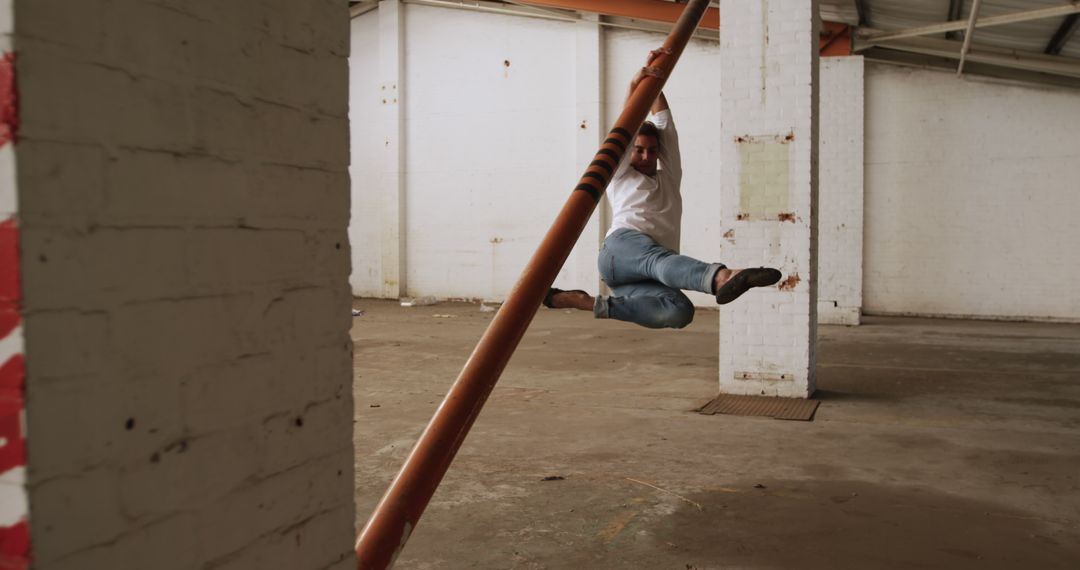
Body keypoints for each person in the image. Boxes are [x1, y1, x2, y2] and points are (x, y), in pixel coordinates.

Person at [544, 48, 781, 329]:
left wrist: (654, 80)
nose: (645, 157)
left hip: (640, 277)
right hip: (621, 251)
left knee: (679, 311)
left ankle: (584, 302)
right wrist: (634, 88)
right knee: (658, 260)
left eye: (652, 151)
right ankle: (720, 278)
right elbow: (624, 133)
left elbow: (664, 123)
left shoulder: (669, 175)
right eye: (639, 150)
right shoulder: (620, 175)